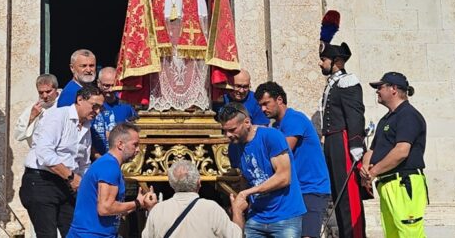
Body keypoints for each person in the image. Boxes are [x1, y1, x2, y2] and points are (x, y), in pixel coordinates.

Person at [20, 83, 103, 238]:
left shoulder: (86, 126)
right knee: (47, 234)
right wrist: (71, 177)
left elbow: (83, 163)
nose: (97, 111)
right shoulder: (57, 116)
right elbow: (44, 153)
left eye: (100, 108)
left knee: (75, 233)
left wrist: (85, 187)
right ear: (80, 100)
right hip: (41, 181)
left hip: (66, 185)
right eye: (94, 106)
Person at [255, 81, 331, 238]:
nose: (263, 109)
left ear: (279, 100)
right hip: (294, 191)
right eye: (260, 105)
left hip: (311, 189)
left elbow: (282, 152)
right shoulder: (276, 127)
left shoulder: (294, 119)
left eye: (266, 103)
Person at [218, 102, 306, 238]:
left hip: (285, 215)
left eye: (232, 129)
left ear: (247, 122)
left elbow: (284, 178)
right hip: (257, 217)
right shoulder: (234, 148)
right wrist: (240, 200)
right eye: (224, 130)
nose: (227, 135)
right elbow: (246, 176)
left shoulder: (271, 136)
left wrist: (247, 192)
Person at [317, 10, 367, 237]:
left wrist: (356, 144)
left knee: (349, 196)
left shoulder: (348, 82)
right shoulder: (333, 83)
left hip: (343, 141)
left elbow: (355, 115)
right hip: (332, 142)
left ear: (336, 62)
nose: (321, 63)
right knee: (338, 192)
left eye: (324, 59)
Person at [360, 72, 427, 238]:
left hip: (404, 182)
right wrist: (365, 168)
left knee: (409, 233)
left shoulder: (408, 115)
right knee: (392, 234)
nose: (377, 91)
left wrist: (373, 172)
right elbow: (372, 150)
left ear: (394, 89)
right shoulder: (386, 119)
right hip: (387, 184)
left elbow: (401, 151)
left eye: (380, 87)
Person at [68, 122, 158, 237]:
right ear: (120, 144)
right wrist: (136, 203)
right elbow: (105, 208)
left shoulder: (109, 164)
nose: (138, 150)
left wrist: (139, 204)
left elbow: (114, 211)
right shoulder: (109, 166)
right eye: (134, 145)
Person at [142, 159, 245, 238]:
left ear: (171, 184)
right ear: (198, 182)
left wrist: (151, 210)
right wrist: (237, 211)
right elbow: (236, 236)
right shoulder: (211, 209)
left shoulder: (158, 210)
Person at [15, 73, 61, 144]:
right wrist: (31, 117)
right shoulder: (34, 108)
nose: (45, 96)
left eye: (48, 91)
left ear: (56, 89)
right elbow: (18, 135)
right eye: (41, 92)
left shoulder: (66, 105)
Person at [91, 69, 118, 159]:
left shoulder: (126, 105)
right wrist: (99, 158)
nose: (110, 89)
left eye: (113, 85)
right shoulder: (90, 105)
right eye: (106, 86)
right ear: (98, 83)